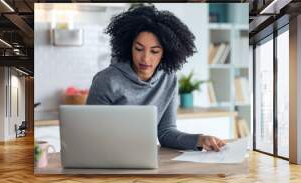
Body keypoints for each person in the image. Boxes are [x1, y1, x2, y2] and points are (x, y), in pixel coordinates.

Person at [87, 5, 226, 151]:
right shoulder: (106, 81)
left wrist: (199, 139)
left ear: (165, 53)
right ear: (129, 47)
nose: (145, 58)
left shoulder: (169, 79)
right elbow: (90, 134)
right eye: (139, 49)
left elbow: (166, 133)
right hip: (108, 155)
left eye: (154, 51)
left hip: (145, 157)